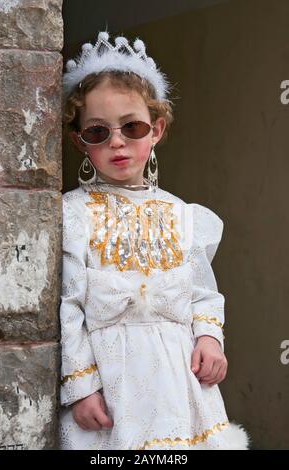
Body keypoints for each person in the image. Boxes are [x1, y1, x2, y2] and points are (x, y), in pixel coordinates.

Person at [59, 31, 250, 450]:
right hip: (114, 382)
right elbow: (70, 306)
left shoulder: (183, 217)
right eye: (97, 132)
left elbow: (203, 293)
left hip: (179, 380)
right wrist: (81, 387)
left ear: (157, 129)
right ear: (79, 141)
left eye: (133, 126)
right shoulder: (72, 215)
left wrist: (208, 339)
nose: (116, 140)